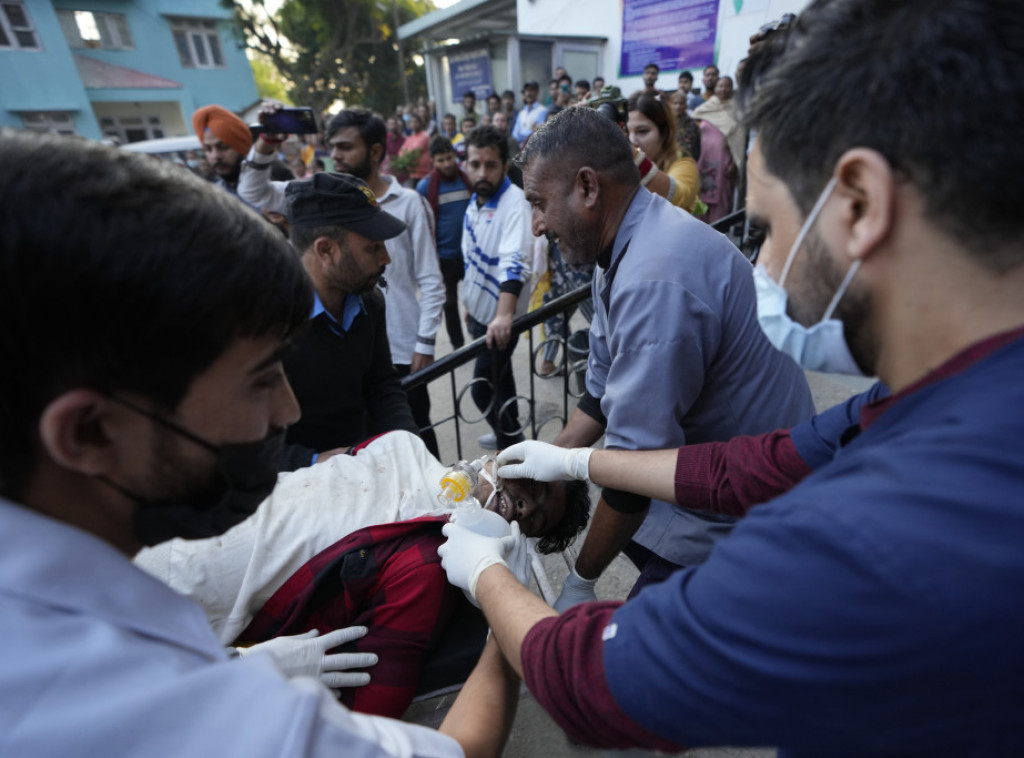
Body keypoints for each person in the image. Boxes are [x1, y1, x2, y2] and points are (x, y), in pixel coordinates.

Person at [437, 1, 1024, 754]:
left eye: (771, 229)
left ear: (859, 205)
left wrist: (494, 577)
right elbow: (757, 462)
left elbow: (599, 684)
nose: (762, 267)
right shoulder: (901, 408)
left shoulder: (863, 537)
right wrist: (571, 457)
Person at [0, 130, 517, 758]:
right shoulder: (146, 701)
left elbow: (384, 387)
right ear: (90, 432)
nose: (287, 409)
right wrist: (508, 624)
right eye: (260, 381)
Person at [517, 106, 814, 608]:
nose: (537, 224)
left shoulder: (655, 276)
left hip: (748, 513)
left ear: (588, 188)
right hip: (709, 481)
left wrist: (581, 582)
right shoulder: (622, 242)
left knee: (616, 662)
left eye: (539, 203)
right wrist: (557, 467)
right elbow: (600, 390)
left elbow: (632, 475)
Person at [137, 429, 591, 719]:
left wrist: (500, 608)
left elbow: (377, 714)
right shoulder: (405, 445)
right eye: (531, 483)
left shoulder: (428, 559)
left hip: (168, 593)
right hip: (165, 538)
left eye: (530, 519)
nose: (526, 504)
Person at [240, 109, 446, 459]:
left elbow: (381, 386)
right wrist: (313, 461)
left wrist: (409, 447)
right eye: (372, 247)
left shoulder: (369, 302)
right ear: (326, 251)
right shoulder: (259, 323)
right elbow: (237, 448)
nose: (386, 259)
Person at [461, 125, 533, 449]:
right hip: (480, 316)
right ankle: (508, 426)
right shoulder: (476, 203)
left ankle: (514, 447)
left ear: (505, 166)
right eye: (475, 164)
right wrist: (469, 304)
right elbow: (472, 259)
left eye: (490, 165)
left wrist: (503, 316)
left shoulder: (515, 203)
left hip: (500, 321)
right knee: (501, 381)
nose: (481, 172)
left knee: (481, 389)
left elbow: (513, 262)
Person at [418, 136, 472, 349]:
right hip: (444, 257)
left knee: (476, 300)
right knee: (449, 304)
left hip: (470, 255)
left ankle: (478, 337)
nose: (447, 164)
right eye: (441, 160)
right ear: (433, 161)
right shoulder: (425, 187)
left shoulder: (468, 179)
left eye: (449, 158)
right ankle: (458, 347)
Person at [626, 91, 701, 213]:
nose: (632, 140)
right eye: (626, 132)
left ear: (665, 133)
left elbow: (680, 197)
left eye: (642, 131)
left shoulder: (684, 163)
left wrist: (630, 152)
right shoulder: (618, 165)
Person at [694, 73, 743, 224]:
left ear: (732, 88)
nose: (724, 89)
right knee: (700, 196)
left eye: (728, 85)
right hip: (703, 161)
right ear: (715, 88)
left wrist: (734, 163)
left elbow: (739, 140)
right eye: (721, 85)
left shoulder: (736, 110)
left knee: (720, 198)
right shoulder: (705, 108)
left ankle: (717, 230)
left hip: (723, 162)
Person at [192, 104, 254, 196]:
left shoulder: (273, 187)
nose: (215, 156)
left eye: (223, 147)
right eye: (208, 149)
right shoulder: (213, 196)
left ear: (243, 147)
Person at [512, 81, 547, 147]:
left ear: (537, 92)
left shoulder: (543, 110)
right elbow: (515, 134)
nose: (529, 93)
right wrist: (529, 131)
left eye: (532, 90)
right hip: (520, 149)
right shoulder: (521, 113)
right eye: (527, 90)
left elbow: (537, 132)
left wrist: (520, 133)